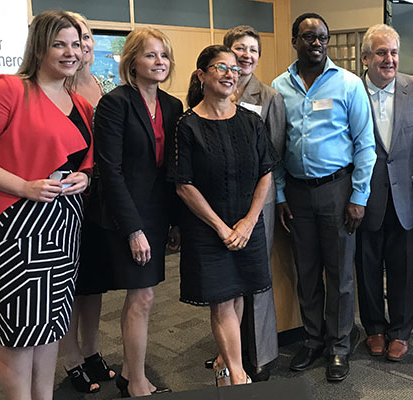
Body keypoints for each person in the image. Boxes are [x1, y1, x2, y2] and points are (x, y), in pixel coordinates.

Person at [0, 10, 92, 400]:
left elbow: (83, 161)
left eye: (76, 43)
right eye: (59, 44)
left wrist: (85, 176)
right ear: (39, 46)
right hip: (16, 227)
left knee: (51, 325)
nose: (71, 52)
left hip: (63, 227)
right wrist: (23, 186)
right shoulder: (8, 89)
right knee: (20, 332)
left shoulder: (79, 102)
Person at [272, 12, 375, 382]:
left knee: (340, 275)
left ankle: (339, 345)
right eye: (309, 37)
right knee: (307, 272)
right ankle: (313, 339)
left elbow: (365, 145)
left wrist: (359, 196)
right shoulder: (278, 87)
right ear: (295, 40)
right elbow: (277, 147)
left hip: (337, 190)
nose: (316, 43)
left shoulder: (348, 84)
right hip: (297, 193)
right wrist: (281, 194)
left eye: (322, 38)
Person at [171, 44, 276, 387]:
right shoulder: (187, 125)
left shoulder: (251, 120)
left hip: (247, 223)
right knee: (222, 299)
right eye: (220, 67)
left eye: (234, 69)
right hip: (207, 228)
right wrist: (221, 227)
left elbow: (266, 172)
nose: (230, 74)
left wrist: (247, 222)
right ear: (201, 75)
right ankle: (238, 376)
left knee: (240, 291)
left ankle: (224, 365)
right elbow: (184, 185)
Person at [93, 27, 182, 396]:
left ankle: (131, 373)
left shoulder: (173, 105)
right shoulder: (116, 103)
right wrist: (133, 229)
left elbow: (173, 170)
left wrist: (175, 222)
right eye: (150, 55)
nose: (158, 61)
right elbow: (109, 171)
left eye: (163, 55)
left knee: (145, 295)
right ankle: (138, 383)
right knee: (141, 296)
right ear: (132, 61)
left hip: (159, 213)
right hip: (126, 215)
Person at [200, 25, 286, 383]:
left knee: (254, 282)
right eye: (240, 49)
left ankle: (260, 355)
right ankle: (229, 353)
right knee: (225, 284)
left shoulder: (269, 96)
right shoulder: (214, 88)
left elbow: (275, 153)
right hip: (219, 202)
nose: (246, 56)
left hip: (257, 201)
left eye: (253, 50)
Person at [354, 24, 413, 362]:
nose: (389, 59)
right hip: (364, 196)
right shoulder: (350, 90)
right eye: (382, 53)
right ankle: (374, 327)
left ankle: (400, 331)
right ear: (365, 58)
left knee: (403, 269)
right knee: (367, 265)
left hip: (406, 196)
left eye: (394, 52)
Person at [59, 11, 117, 394]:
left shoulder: (103, 83)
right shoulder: (54, 88)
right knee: (65, 287)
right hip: (63, 202)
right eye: (75, 37)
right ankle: (71, 359)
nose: (83, 44)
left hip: (99, 198)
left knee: (93, 283)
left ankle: (92, 351)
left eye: (87, 36)